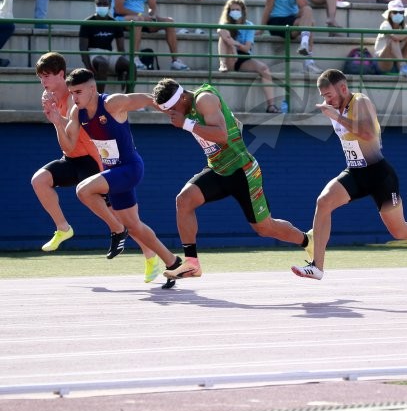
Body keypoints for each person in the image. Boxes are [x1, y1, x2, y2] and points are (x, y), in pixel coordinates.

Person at [292, 69, 407, 280]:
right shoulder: (335, 108)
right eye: (323, 97)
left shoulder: (360, 102)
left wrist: (337, 117)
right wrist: (336, 114)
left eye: (329, 95)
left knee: (399, 230)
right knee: (323, 202)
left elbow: (368, 133)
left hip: (379, 175)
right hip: (355, 172)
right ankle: (317, 266)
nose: (326, 100)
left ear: (343, 88)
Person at [150, 78, 310, 282]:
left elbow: (222, 135)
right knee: (184, 200)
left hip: (241, 170)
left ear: (182, 97)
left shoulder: (204, 100)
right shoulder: (181, 104)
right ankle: (192, 263)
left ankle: (307, 240)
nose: (172, 115)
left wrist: (187, 124)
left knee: (264, 228)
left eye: (173, 110)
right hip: (218, 169)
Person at [47, 68, 181, 284]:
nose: (74, 98)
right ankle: (173, 262)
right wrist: (56, 122)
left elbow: (147, 99)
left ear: (93, 88)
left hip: (129, 168)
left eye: (78, 92)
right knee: (136, 226)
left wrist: (178, 117)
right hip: (114, 173)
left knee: (83, 190)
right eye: (72, 93)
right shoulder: (76, 113)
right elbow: (69, 146)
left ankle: (117, 230)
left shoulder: (112, 103)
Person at [32, 52, 103, 252]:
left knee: (121, 215)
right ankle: (63, 228)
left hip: (92, 161)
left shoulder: (75, 98)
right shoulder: (49, 96)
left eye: (46, 76)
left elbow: (74, 130)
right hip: (71, 158)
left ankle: (151, 254)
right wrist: (54, 118)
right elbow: (66, 141)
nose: (42, 81)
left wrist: (56, 118)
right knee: (39, 181)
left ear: (61, 74)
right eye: (40, 77)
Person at [112, 0, 189, 71]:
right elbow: (118, 9)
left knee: (169, 22)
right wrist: (140, 16)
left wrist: (152, 15)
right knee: (138, 21)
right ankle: (135, 58)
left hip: (141, 18)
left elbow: (152, 6)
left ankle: (175, 61)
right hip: (121, 18)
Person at [217, 0, 279, 113]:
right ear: (228, 11)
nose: (235, 12)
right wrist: (232, 47)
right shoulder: (225, 24)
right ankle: (222, 63)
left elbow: (246, 48)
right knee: (223, 36)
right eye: (232, 9)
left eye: (237, 9)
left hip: (243, 57)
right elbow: (220, 31)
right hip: (229, 57)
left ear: (243, 11)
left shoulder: (248, 25)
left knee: (264, 69)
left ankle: (271, 105)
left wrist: (235, 44)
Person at [261, 0, 320, 74]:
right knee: (311, 23)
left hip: (293, 19)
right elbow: (269, 5)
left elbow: (303, 5)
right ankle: (308, 61)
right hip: (277, 20)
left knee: (307, 10)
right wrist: (262, 27)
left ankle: (304, 45)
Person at [79, 0, 129, 92]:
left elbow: (121, 48)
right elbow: (83, 48)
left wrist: (122, 70)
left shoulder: (115, 23)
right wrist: (88, 68)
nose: (102, 6)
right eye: (99, 3)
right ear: (95, 5)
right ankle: (99, 99)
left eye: (105, 4)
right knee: (103, 63)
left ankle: (130, 97)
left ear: (110, 6)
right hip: (94, 52)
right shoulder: (87, 23)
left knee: (131, 66)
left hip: (110, 53)